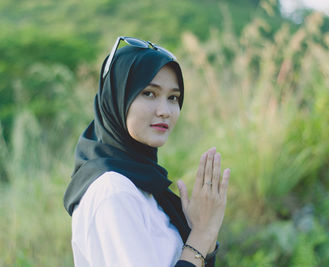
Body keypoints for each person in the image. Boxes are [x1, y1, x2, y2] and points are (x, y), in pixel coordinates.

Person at [63, 36, 231, 267]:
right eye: (149, 93)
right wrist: (201, 236)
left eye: (173, 98)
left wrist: (206, 236)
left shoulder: (144, 186)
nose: (165, 111)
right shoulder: (113, 192)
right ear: (117, 97)